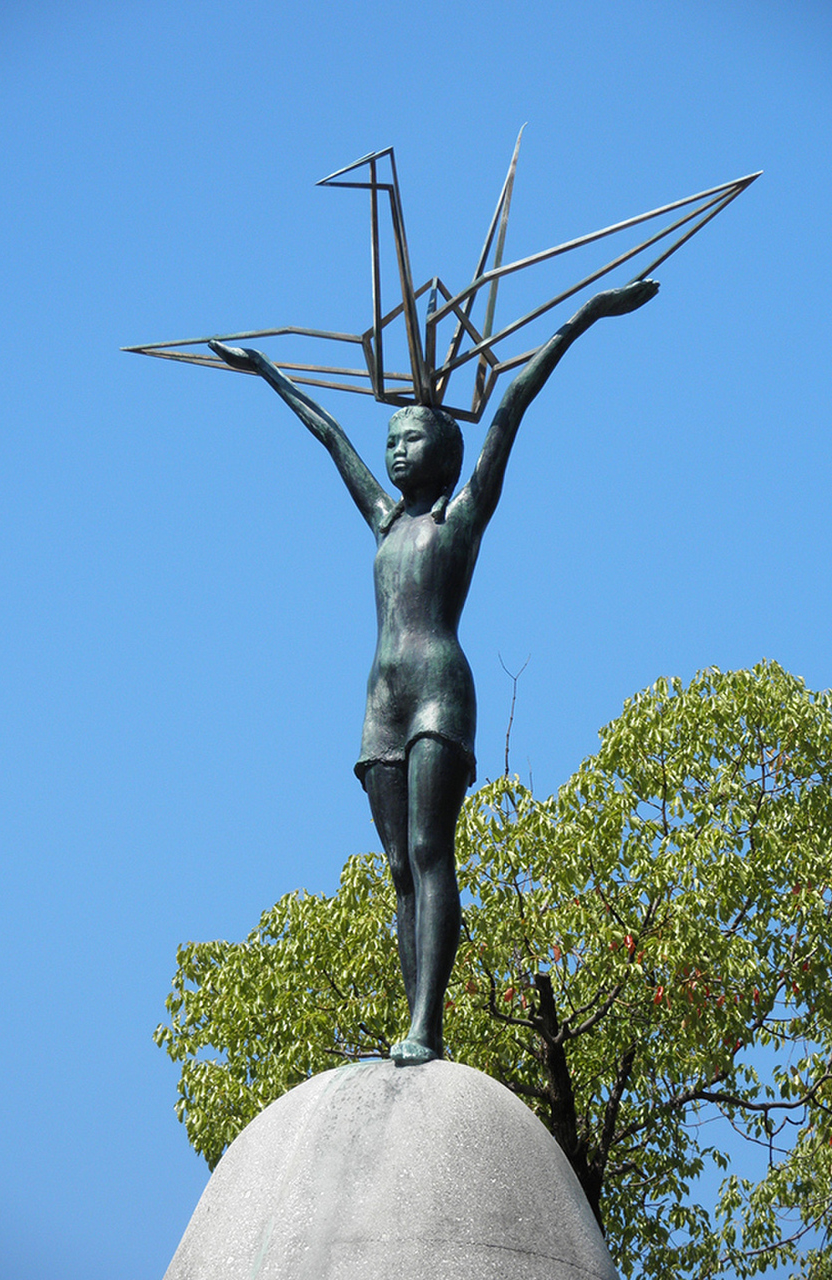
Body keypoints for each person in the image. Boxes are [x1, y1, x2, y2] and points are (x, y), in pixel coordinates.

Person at [210, 277, 658, 1064]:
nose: (394, 447)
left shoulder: (463, 514)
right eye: (392, 438)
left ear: (444, 449)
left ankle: (428, 1025)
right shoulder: (386, 521)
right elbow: (329, 439)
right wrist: (270, 374)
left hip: (440, 696)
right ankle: (412, 1017)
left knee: (429, 851)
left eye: (411, 436)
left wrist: (584, 318)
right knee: (395, 870)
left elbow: (513, 403)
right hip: (381, 700)